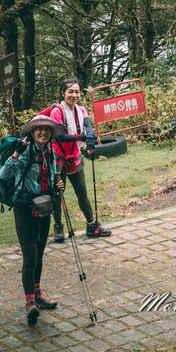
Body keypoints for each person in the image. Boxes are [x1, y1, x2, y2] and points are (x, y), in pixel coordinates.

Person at [0, 114, 65, 326]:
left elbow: (49, 177)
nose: (43, 132)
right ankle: (29, 302)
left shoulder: (49, 151)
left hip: (44, 206)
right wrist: (15, 154)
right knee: (30, 255)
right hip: (24, 207)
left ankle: (38, 293)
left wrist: (56, 185)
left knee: (40, 253)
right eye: (39, 129)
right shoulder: (24, 153)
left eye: (47, 130)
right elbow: (3, 175)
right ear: (32, 132)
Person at [47, 78, 112, 240]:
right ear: (63, 93)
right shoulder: (57, 111)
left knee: (82, 193)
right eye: (70, 91)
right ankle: (58, 227)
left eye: (77, 91)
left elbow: (88, 127)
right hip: (58, 158)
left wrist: (90, 138)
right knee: (57, 193)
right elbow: (59, 136)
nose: (74, 95)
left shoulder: (81, 110)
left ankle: (92, 225)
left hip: (75, 156)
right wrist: (80, 137)